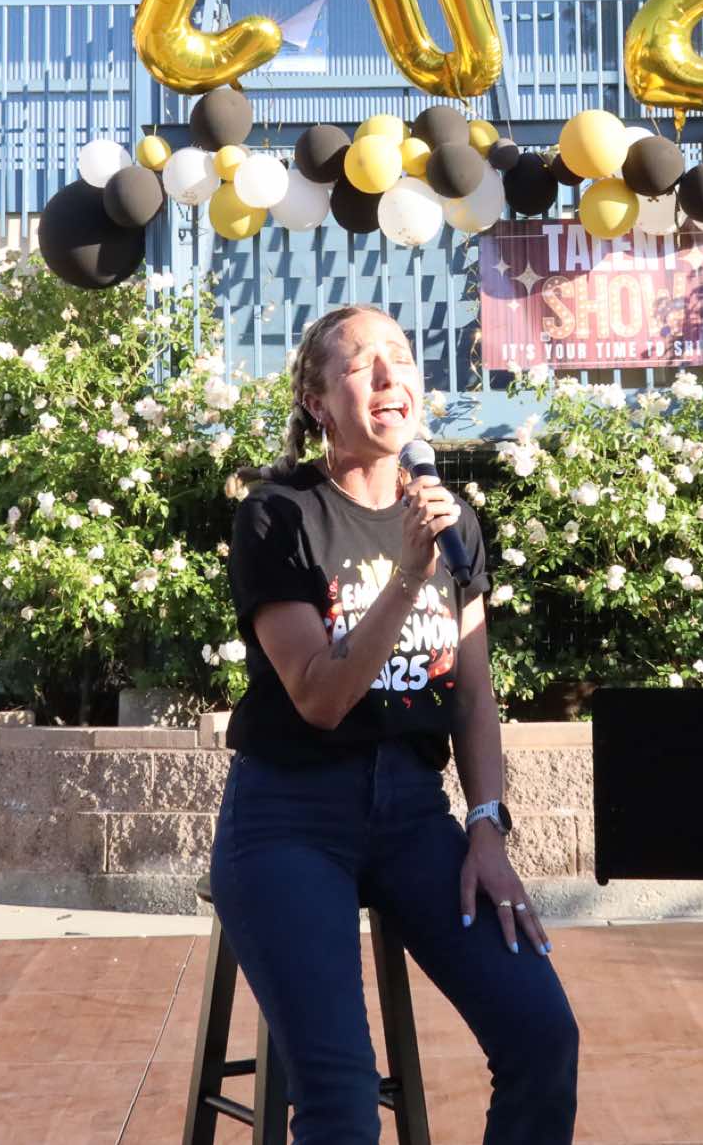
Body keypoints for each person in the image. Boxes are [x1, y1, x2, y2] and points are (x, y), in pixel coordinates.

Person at [211, 303, 579, 1143]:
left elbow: (474, 695)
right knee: (341, 1103)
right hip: (289, 819)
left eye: (401, 357)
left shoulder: (454, 522)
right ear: (316, 401)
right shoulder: (278, 515)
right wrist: (407, 575)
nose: (389, 376)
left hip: (413, 814)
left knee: (542, 1035)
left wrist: (486, 827)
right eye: (360, 363)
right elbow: (319, 697)